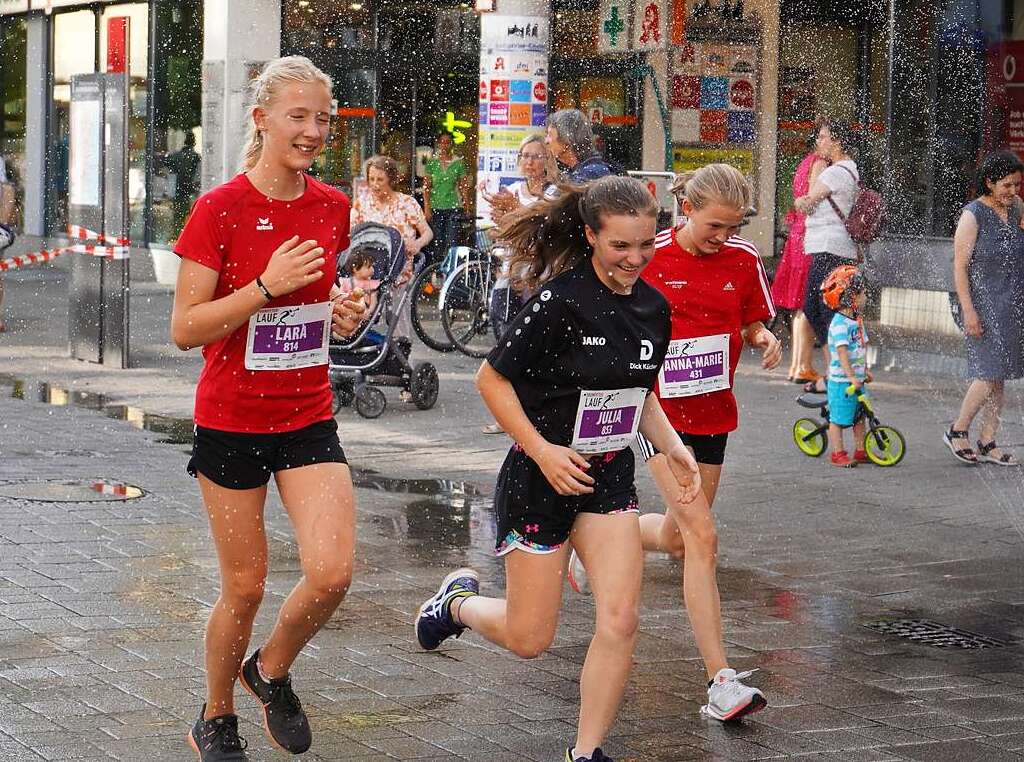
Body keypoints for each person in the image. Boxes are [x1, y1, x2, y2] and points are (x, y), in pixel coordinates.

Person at [414, 176, 701, 762]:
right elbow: (490, 381)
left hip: (609, 480)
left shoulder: (653, 308)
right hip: (539, 482)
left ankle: (586, 752)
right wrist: (544, 452)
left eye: (646, 244)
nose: (635, 258)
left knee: (620, 619)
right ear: (592, 236)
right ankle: (456, 605)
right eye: (621, 246)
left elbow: (639, 393)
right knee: (530, 638)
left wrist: (673, 447)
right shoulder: (559, 302)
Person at [170, 56, 366, 762]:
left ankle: (270, 669)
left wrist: (342, 315)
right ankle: (216, 715)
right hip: (230, 423)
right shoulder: (219, 209)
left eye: (322, 118)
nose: (313, 130)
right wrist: (263, 285)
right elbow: (187, 327)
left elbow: (319, 307)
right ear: (261, 119)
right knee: (246, 587)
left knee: (333, 572)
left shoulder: (332, 207)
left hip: (307, 414)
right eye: (298, 116)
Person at [570, 164, 779, 723]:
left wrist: (762, 336)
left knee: (678, 537)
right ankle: (721, 681)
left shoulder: (744, 260)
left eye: (732, 228)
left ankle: (586, 537)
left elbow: (751, 319)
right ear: (687, 210)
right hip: (656, 415)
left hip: (714, 414)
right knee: (704, 537)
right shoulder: (651, 255)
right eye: (714, 226)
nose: (723, 238)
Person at [945, 150, 1024, 466]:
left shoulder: (1016, 207)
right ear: (989, 183)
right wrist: (969, 311)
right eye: (1006, 185)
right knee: (989, 371)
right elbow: (960, 267)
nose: (1013, 191)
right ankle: (958, 430)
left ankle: (988, 439)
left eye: (1017, 185)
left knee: (1001, 373)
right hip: (980, 303)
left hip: (1011, 301)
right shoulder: (972, 215)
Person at [481, 134, 554, 434]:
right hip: (512, 275)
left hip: (541, 276)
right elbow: (501, 232)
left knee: (536, 345)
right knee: (508, 341)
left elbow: (545, 234)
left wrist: (517, 213)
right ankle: (509, 413)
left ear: (548, 160)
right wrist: (503, 219)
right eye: (525, 155)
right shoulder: (511, 191)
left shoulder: (554, 194)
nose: (530, 161)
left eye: (537, 156)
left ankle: (533, 410)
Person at [794, 119, 860, 393]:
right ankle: (836, 369)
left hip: (829, 249)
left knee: (819, 308)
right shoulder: (850, 170)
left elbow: (806, 203)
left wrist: (802, 197)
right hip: (837, 249)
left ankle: (836, 371)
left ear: (837, 142)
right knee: (826, 309)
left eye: (823, 137)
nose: (818, 142)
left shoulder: (834, 173)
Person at [351, 155, 433, 344]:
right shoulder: (362, 203)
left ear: (391, 179)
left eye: (380, 179)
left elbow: (427, 233)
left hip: (398, 272)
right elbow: (350, 234)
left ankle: (400, 353)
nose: (375, 184)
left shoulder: (407, 203)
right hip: (366, 273)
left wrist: (417, 244)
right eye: (371, 179)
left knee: (399, 322)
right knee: (357, 316)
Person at [771, 144, 829, 383]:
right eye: (824, 136)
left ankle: (797, 365)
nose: (827, 142)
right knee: (808, 304)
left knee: (799, 307)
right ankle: (802, 365)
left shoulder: (806, 161)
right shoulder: (821, 164)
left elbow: (799, 201)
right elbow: (810, 202)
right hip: (809, 236)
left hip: (798, 234)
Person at [822, 266, 871, 467]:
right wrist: (851, 376)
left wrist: (865, 370)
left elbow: (861, 346)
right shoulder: (839, 323)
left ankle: (860, 450)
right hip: (843, 381)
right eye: (862, 293)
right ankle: (838, 453)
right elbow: (842, 353)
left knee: (860, 416)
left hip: (857, 380)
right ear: (850, 297)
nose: (866, 296)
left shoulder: (857, 321)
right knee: (839, 419)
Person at [423, 132, 470, 265]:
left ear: (452, 144)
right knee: (437, 243)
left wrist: (466, 205)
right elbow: (426, 187)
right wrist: (427, 207)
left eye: (448, 142)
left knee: (452, 242)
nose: (444, 145)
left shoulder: (458, 163)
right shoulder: (432, 163)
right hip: (436, 207)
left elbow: (463, 186)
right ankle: (437, 271)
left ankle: (451, 272)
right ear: (438, 144)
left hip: (454, 207)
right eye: (442, 142)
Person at [546, 109, 614, 185]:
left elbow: (566, 195)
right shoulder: (578, 170)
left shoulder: (590, 174)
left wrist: (554, 177)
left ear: (567, 141)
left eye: (550, 135)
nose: (546, 141)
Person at [165, 131, 202, 234]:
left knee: (178, 215)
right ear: (193, 142)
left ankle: (176, 234)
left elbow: (167, 164)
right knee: (188, 215)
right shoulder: (195, 157)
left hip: (178, 189)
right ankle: (182, 234)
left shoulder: (176, 156)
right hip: (189, 191)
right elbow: (197, 175)